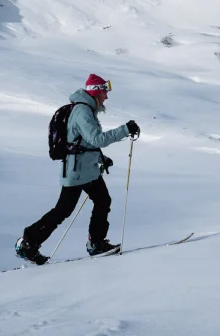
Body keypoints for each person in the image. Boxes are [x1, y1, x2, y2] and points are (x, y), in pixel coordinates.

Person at [16, 74, 140, 264]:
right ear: (96, 92)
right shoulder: (83, 111)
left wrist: (101, 159)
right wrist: (125, 129)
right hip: (77, 171)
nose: (107, 96)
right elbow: (97, 139)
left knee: (102, 201)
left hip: (85, 169)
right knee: (63, 210)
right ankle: (28, 242)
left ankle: (96, 243)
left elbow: (84, 142)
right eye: (105, 91)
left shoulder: (87, 110)